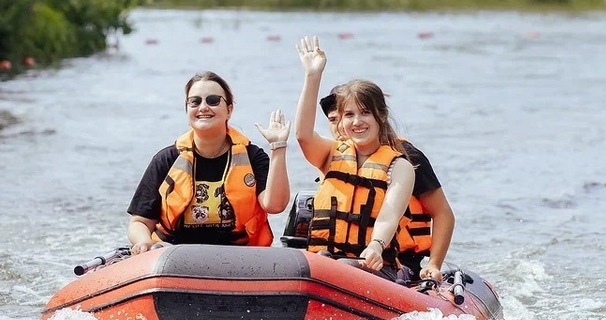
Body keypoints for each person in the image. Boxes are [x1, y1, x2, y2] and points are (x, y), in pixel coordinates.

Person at [127, 71, 291, 253]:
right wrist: (143, 242)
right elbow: (140, 221)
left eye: (213, 100)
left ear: (229, 110)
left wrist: (278, 146)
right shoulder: (166, 160)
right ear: (187, 110)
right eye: (195, 102)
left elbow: (275, 206)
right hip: (174, 255)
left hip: (239, 257)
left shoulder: (253, 157)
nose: (203, 107)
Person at [294, 36, 415, 282]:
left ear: (380, 115)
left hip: (373, 266)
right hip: (323, 262)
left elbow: (388, 216)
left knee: (347, 265)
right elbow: (303, 135)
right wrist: (312, 75)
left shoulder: (400, 166)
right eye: (349, 115)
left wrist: (376, 246)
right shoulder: (330, 154)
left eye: (365, 113)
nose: (356, 122)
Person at [319, 89, 455, 282]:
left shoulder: (405, 158)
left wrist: (434, 264)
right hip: (340, 257)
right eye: (334, 120)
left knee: (344, 268)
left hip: (396, 263)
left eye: (359, 114)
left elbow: (443, 213)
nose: (340, 127)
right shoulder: (335, 158)